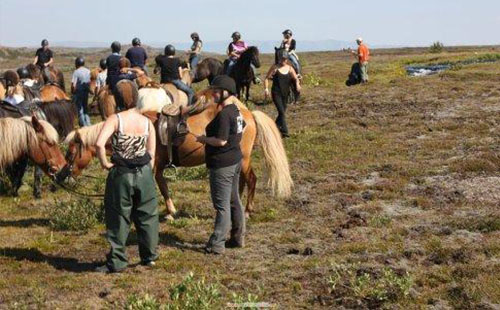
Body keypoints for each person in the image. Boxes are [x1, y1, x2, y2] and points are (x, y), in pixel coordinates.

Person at [95, 103, 158, 273]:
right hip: (144, 173)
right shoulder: (147, 122)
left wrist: (105, 163)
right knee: (148, 215)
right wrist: (146, 171)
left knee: (118, 217)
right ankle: (149, 258)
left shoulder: (116, 119)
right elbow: (151, 152)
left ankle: (117, 262)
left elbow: (100, 144)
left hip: (121, 173)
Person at [194, 76, 246, 255]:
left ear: (226, 92)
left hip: (222, 164)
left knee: (222, 205)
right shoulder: (237, 110)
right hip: (235, 160)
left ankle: (217, 244)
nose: (213, 94)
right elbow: (243, 127)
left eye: (216, 91)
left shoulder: (224, 114)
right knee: (234, 200)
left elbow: (221, 141)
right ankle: (238, 237)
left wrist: (203, 139)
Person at [264, 50, 301, 138]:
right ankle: (285, 133)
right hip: (276, 93)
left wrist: (297, 84)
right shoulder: (275, 67)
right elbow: (266, 78)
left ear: (287, 59)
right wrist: (266, 89)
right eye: (281, 59)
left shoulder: (290, 68)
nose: (283, 61)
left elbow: (296, 78)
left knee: (282, 113)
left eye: (284, 59)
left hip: (286, 94)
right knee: (282, 113)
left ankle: (272, 128)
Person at [71, 57, 92, 127]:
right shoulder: (88, 71)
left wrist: (73, 92)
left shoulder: (76, 72)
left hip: (79, 93)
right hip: (86, 92)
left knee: (80, 110)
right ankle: (88, 123)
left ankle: (83, 125)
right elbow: (90, 82)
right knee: (85, 108)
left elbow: (73, 85)